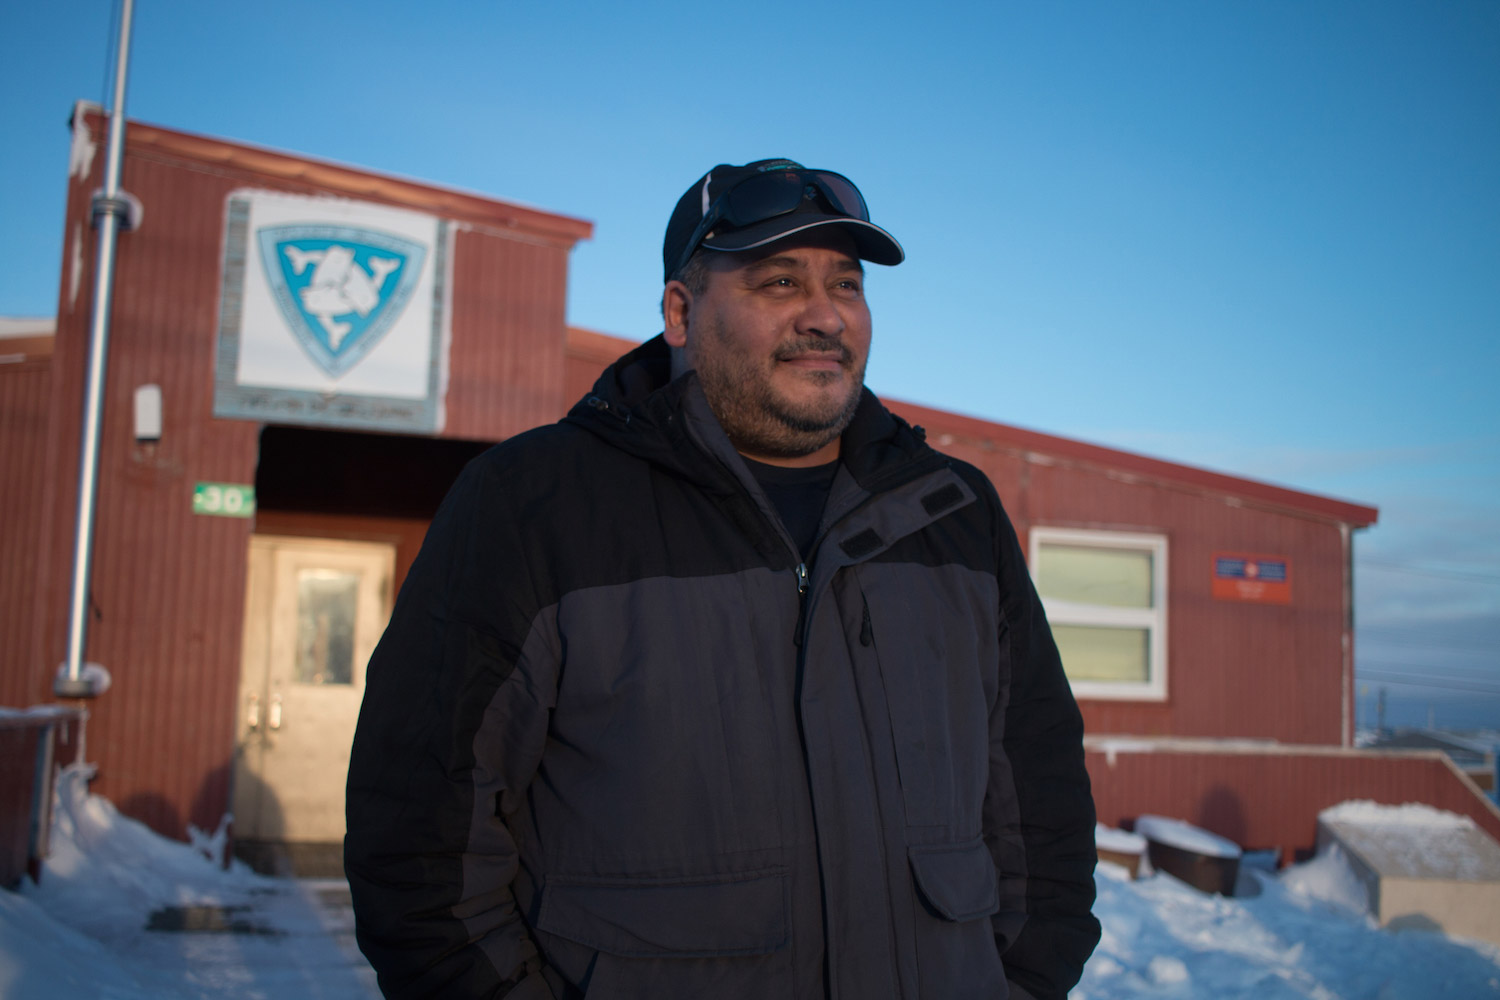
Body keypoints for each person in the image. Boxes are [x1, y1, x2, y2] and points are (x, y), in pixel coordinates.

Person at [345, 158, 1100, 1000]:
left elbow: (1040, 808)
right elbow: (421, 842)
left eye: (846, 286)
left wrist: (1020, 984)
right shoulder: (534, 505)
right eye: (780, 281)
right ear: (680, 311)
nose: (826, 316)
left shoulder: (954, 514)